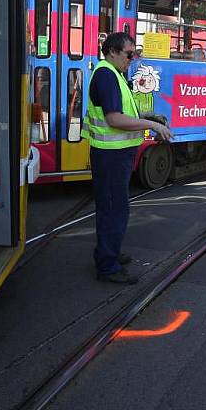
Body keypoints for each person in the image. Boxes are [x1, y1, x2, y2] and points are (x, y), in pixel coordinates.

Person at [82, 32, 172, 284]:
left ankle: (107, 253)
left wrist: (149, 116)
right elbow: (114, 119)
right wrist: (151, 125)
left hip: (115, 155)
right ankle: (108, 267)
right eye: (129, 54)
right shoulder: (107, 75)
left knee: (112, 207)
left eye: (135, 54)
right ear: (112, 51)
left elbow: (124, 111)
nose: (132, 59)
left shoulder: (114, 74)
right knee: (114, 210)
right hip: (111, 157)